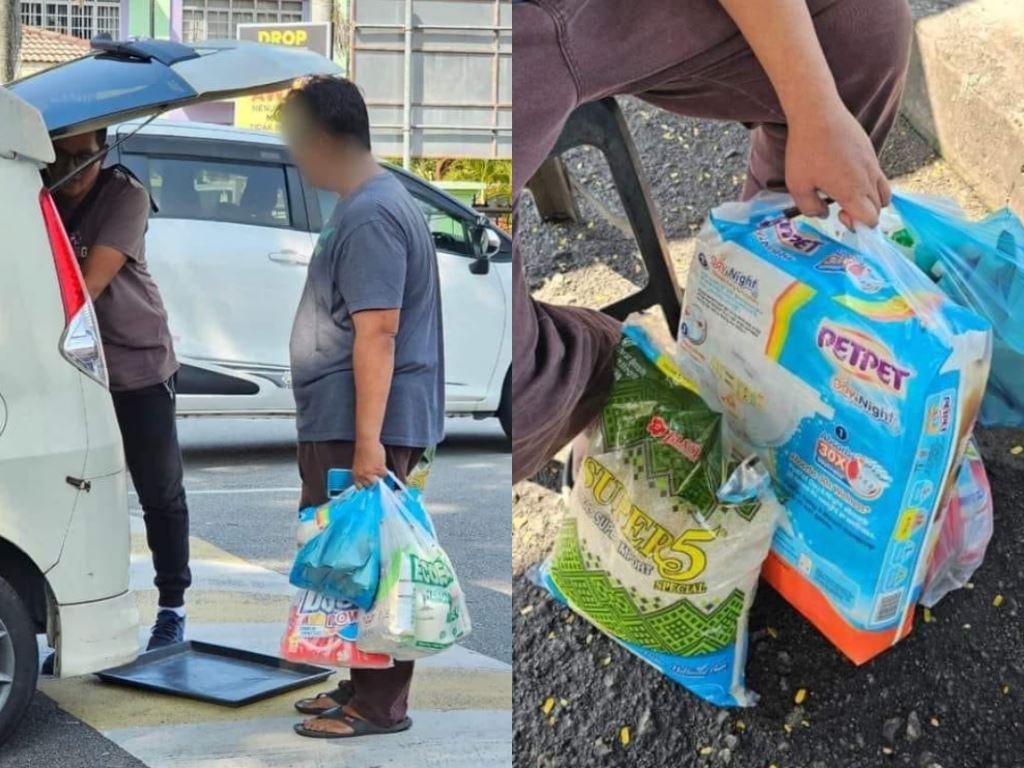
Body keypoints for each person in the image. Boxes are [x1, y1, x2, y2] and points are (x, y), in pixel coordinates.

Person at [511, 0, 914, 483]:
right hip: (437, 47)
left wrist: (816, 106)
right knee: (481, 405)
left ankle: (757, 336)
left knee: (857, 27)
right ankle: (634, 382)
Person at [277, 76, 445, 739]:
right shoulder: (366, 202)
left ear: (324, 140)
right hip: (346, 422)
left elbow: (378, 331)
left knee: (374, 564)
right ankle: (358, 684)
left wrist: (368, 443)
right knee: (350, 560)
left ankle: (379, 707)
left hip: (362, 427)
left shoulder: (372, 212)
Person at [47, 129, 191, 650]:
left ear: (105, 149)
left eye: (88, 157)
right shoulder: (38, 190)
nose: (77, 167)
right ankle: (81, 621)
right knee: (77, 495)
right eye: (65, 156)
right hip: (73, 369)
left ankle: (173, 608)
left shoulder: (125, 194)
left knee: (160, 493)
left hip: (137, 365)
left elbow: (87, 284)